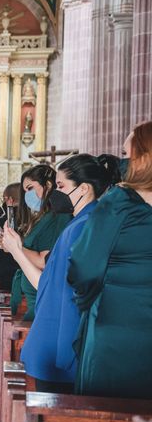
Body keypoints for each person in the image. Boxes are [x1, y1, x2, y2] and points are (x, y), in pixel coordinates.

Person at [1, 154, 120, 393]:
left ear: (84, 188)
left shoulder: (81, 227)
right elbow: (46, 284)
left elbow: (58, 291)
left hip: (59, 345)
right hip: (55, 340)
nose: (55, 193)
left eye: (61, 186)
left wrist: (17, 251)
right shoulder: (84, 221)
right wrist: (16, 251)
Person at [68, 121, 152, 399]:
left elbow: (83, 266)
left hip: (114, 329)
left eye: (126, 155)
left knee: (106, 418)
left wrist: (88, 303)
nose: (122, 162)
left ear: (143, 158)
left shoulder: (119, 201)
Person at [8, 164, 71, 321]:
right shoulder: (44, 217)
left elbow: (44, 261)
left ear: (48, 185)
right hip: (35, 304)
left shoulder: (57, 217)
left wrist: (15, 247)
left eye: (30, 188)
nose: (27, 195)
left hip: (43, 307)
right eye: (25, 191)